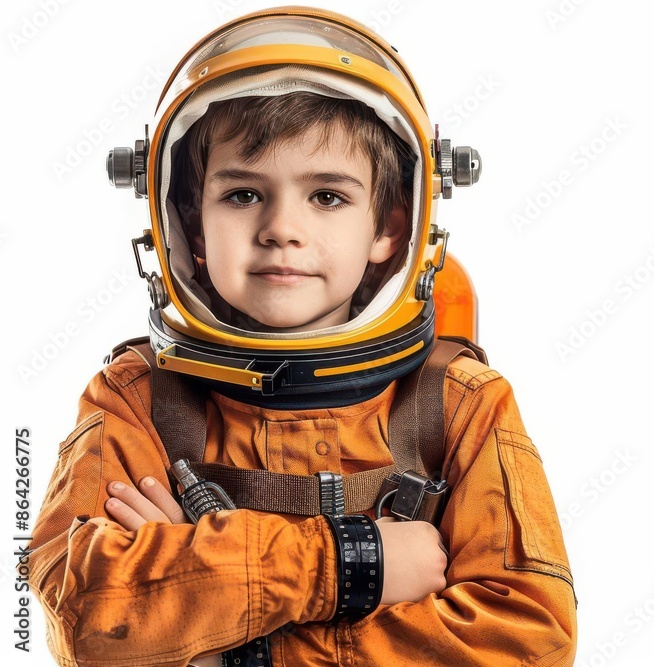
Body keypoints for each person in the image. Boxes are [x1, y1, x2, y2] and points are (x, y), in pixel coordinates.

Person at [28, 7, 576, 666]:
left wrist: (223, 639)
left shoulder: (460, 404)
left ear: (390, 227)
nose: (281, 229)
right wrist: (352, 564)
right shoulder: (136, 399)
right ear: (190, 223)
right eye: (242, 194)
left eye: (327, 197)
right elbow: (84, 617)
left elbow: (529, 638)